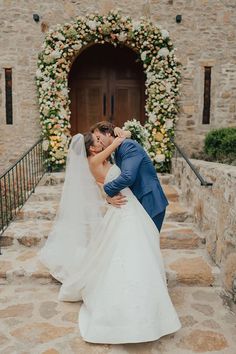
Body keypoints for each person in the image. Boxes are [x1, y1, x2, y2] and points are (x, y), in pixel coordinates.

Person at [39, 132, 181, 344]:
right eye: (96, 140)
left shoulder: (100, 159)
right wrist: (121, 136)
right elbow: (115, 148)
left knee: (135, 248)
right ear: (92, 149)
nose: (100, 141)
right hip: (125, 207)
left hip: (127, 205)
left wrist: (107, 196)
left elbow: (102, 183)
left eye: (99, 138)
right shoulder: (95, 159)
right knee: (127, 249)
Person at [91, 121, 168, 232]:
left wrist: (107, 189)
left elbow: (127, 176)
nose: (99, 142)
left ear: (108, 133)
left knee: (148, 241)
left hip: (149, 199)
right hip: (138, 200)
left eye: (99, 137)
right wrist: (108, 198)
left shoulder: (128, 145)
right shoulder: (117, 150)